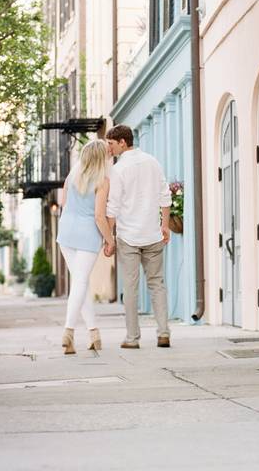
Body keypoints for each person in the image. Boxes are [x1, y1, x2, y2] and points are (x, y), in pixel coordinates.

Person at [104, 125, 172, 349]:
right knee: (157, 284)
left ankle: (132, 339)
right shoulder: (153, 161)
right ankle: (163, 334)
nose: (109, 148)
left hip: (129, 236)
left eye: (111, 144)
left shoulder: (118, 169)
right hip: (152, 233)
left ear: (123, 142)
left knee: (130, 288)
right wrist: (165, 225)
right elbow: (165, 195)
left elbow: (112, 207)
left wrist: (109, 238)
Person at [56, 139, 116, 355]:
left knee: (80, 285)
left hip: (66, 233)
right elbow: (100, 217)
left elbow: (64, 204)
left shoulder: (72, 177)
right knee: (80, 282)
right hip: (87, 235)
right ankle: (68, 331)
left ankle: (94, 334)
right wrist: (110, 240)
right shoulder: (103, 181)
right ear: (101, 157)